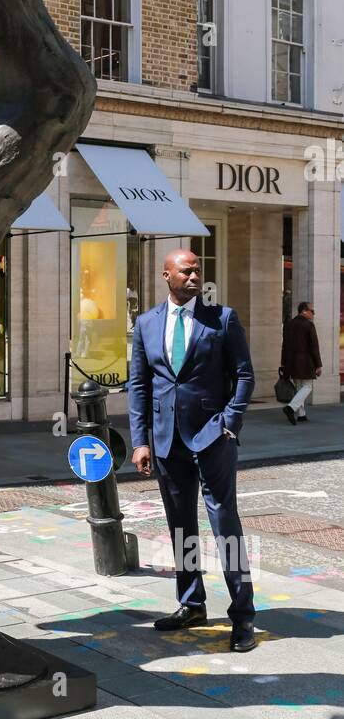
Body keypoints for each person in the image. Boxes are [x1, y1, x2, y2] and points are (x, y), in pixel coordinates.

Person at [128, 250, 257, 652]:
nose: (194, 276)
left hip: (213, 437)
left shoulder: (222, 319)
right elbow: (139, 385)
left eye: (198, 270)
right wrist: (140, 441)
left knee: (225, 525)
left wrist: (229, 423)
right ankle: (192, 604)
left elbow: (244, 375)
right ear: (166, 275)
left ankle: (243, 616)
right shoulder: (146, 324)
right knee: (181, 526)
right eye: (186, 270)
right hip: (167, 441)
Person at [281, 302, 321, 424]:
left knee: (299, 387)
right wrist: (318, 364)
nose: (313, 314)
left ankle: (301, 415)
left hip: (291, 361)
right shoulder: (309, 325)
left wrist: (283, 362)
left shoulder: (289, 324)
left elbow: (284, 345)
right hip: (305, 361)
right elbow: (314, 346)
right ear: (304, 311)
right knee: (307, 386)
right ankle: (290, 408)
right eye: (312, 311)